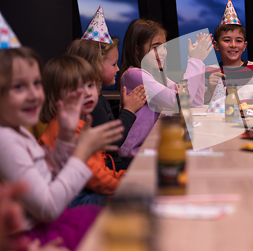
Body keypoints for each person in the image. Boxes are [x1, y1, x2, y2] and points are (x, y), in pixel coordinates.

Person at [0, 46, 123, 250]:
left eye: (36, 83)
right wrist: (81, 152)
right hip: (36, 235)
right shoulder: (6, 141)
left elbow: (48, 179)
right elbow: (48, 208)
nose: (33, 94)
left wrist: (66, 137)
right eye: (19, 87)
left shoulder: (18, 131)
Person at [39, 55, 126, 207]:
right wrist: (122, 186)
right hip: (73, 200)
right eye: (75, 89)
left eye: (90, 85)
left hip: (85, 191)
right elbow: (92, 176)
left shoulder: (80, 123)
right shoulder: (64, 129)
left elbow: (98, 168)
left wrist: (124, 177)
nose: (86, 93)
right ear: (55, 97)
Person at [118, 19, 211, 157]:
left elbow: (193, 102)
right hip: (136, 154)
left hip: (153, 147)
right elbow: (178, 101)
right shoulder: (133, 74)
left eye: (164, 47)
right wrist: (195, 60)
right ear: (137, 49)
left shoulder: (157, 75)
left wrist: (199, 61)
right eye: (155, 47)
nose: (162, 53)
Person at [66, 38, 146, 171]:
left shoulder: (99, 99)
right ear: (96, 67)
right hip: (105, 168)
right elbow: (111, 143)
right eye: (114, 64)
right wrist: (129, 111)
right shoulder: (92, 104)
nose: (118, 68)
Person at [205, 0, 253, 103]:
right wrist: (210, 89)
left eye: (238, 41)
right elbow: (200, 105)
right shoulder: (209, 72)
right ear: (216, 45)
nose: (233, 45)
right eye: (227, 40)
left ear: (244, 46)